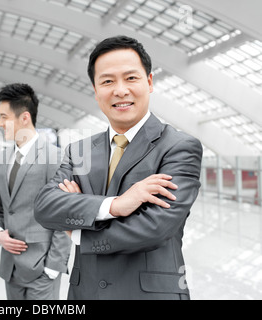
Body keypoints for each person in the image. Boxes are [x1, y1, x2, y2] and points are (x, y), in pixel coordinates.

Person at [34, 36, 203, 300]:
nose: (120, 90)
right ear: (95, 90)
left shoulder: (179, 147)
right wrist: (115, 205)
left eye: (131, 78)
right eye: (108, 81)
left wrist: (79, 233)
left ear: (149, 82)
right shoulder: (79, 150)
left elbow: (155, 227)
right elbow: (45, 206)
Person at [0, 83, 71, 300]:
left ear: (24, 118)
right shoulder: (0, 160)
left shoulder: (54, 157)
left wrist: (53, 267)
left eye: (4, 117)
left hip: (41, 267)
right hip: (10, 269)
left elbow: (64, 216)